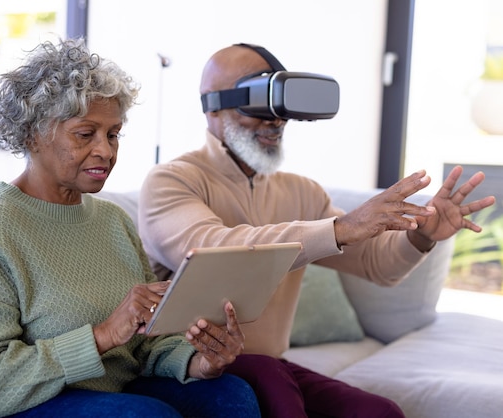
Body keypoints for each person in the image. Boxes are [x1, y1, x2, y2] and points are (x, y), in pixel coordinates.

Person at [0, 38, 261, 418]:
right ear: (32, 134)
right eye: (86, 134)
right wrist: (102, 336)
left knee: (230, 396)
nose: (106, 150)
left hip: (95, 397)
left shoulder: (113, 220)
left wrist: (199, 361)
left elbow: (141, 347)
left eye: (113, 134)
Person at [137, 43, 496, 417]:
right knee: (274, 384)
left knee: (378, 412)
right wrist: (341, 228)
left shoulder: (301, 192)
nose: (275, 121)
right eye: (259, 104)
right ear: (213, 106)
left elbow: (378, 265)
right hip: (187, 366)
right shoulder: (172, 181)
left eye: (281, 108)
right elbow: (211, 251)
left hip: (270, 365)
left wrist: (421, 234)